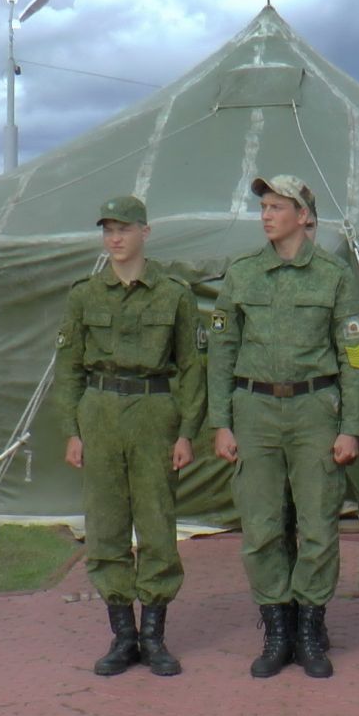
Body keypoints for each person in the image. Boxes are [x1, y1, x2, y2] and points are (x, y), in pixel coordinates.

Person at [209, 174, 359, 679]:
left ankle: (310, 627)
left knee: (319, 526)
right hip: (254, 410)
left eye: (277, 206)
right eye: (264, 206)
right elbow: (221, 351)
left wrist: (351, 427)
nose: (266, 214)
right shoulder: (242, 274)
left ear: (304, 215)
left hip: (314, 410)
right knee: (260, 527)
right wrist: (221, 422)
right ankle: (277, 627)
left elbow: (356, 356)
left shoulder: (333, 275)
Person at [56, 196, 206, 677]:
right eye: (108, 230)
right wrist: (72, 430)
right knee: (105, 525)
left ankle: (155, 636)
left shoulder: (174, 294)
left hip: (154, 412)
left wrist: (187, 431)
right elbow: (69, 368)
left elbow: (191, 368)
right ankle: (122, 635)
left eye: (123, 228)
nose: (115, 238)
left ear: (146, 231)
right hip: (98, 412)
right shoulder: (84, 294)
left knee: (157, 521)